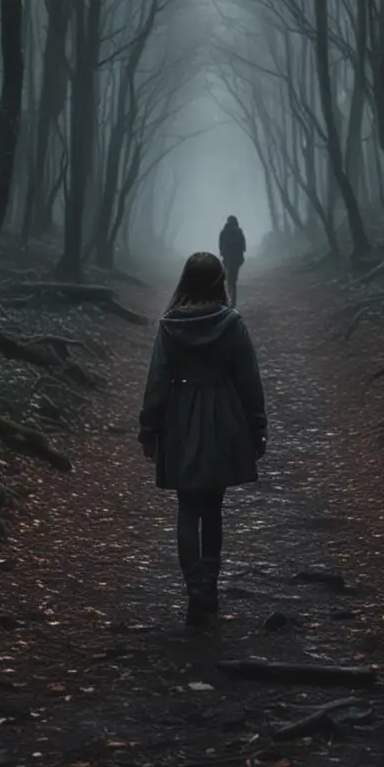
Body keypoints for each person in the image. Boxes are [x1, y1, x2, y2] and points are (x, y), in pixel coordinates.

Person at [137, 251, 266, 626]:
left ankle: (195, 589)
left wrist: (149, 428)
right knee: (213, 508)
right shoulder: (232, 323)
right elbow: (248, 378)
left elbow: (157, 381)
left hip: (181, 417)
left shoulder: (170, 325)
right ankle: (208, 586)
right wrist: (257, 424)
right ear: (218, 281)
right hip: (223, 415)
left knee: (187, 507)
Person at [217, 215, 247, 305]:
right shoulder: (238, 231)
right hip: (237, 259)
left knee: (228, 278)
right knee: (233, 279)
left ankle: (229, 297)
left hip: (227, 258)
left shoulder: (224, 231)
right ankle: (232, 300)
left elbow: (221, 245)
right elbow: (243, 245)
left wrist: (222, 253)